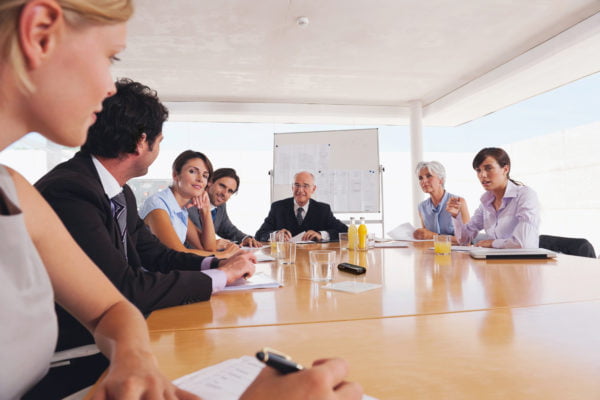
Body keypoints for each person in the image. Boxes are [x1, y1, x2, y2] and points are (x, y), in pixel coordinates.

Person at [1, 1, 361, 399]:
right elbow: (126, 288)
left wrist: (134, 354)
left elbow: (115, 306)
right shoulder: (69, 189)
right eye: (110, 57)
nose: (108, 89)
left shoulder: (17, 190)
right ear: (40, 33)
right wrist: (219, 272)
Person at [139, 151, 239, 257]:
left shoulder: (181, 210)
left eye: (205, 176)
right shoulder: (157, 205)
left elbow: (208, 248)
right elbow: (178, 253)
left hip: (171, 271)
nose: (200, 179)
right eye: (192, 171)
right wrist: (225, 254)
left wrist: (205, 210)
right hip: (152, 272)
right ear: (175, 175)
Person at [446, 147, 540, 248]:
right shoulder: (486, 202)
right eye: (478, 170)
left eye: (488, 168)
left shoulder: (525, 195)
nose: (482, 175)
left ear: (505, 169)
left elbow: (523, 243)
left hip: (523, 262)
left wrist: (492, 243)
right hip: (493, 262)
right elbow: (464, 240)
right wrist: (456, 216)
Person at [255, 171, 348, 242]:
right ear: (292, 187)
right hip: (285, 260)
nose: (300, 190)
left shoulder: (322, 209)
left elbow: (345, 232)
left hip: (311, 259)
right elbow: (260, 235)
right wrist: (276, 235)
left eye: (306, 186)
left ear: (313, 189)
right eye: (297, 185)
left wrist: (321, 235)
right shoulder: (278, 207)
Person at [188, 167, 263, 247]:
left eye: (230, 191)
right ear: (210, 182)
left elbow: (229, 230)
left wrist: (246, 238)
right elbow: (181, 242)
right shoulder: (189, 203)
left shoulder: (220, 206)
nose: (224, 193)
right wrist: (213, 245)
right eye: (222, 186)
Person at [414, 161, 469, 242]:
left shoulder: (458, 202)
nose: (424, 181)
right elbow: (426, 238)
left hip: (456, 253)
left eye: (428, 176)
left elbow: (467, 240)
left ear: (441, 180)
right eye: (420, 178)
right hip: (431, 253)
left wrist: (433, 236)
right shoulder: (422, 207)